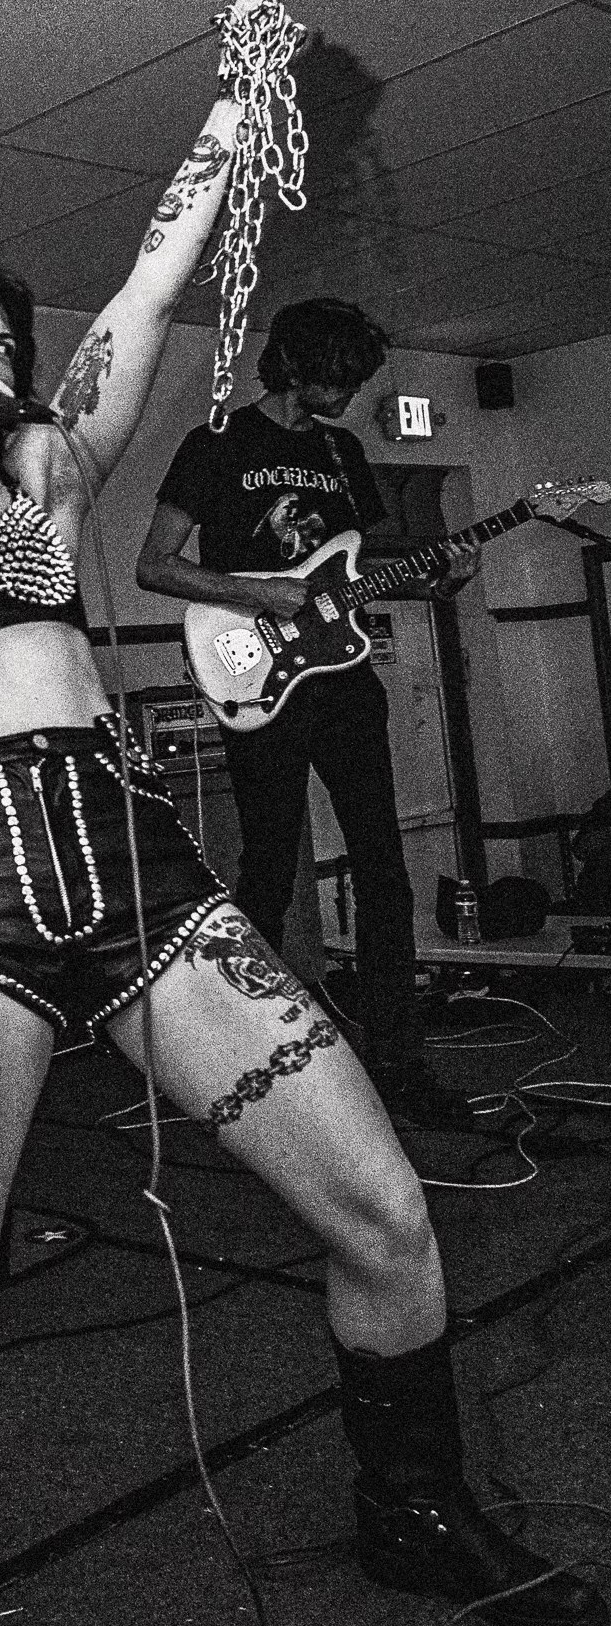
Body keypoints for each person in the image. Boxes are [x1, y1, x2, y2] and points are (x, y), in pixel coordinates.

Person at [0, 0, 601, 1626]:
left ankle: (412, 1506)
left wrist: (235, 108)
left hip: (137, 870)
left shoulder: (47, 479)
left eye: (1, 339)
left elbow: (151, 287)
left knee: (381, 1208)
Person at [136, 299, 479, 1128]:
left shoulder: (341, 451)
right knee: (265, 869)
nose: (351, 394)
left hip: (345, 683)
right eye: (340, 378)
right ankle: (239, 1053)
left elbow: (356, 571)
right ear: (293, 366)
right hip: (259, 676)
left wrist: (436, 576)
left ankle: (397, 1062)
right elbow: (155, 565)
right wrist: (255, 592)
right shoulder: (217, 443)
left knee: (383, 870)